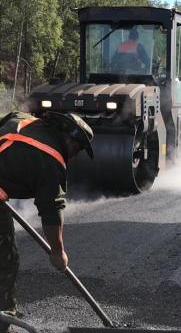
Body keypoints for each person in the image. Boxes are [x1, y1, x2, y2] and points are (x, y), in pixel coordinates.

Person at [0, 111, 94, 333]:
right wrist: (57, 252)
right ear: (68, 137)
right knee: (6, 260)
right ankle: (3, 319)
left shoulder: (22, 118)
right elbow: (51, 210)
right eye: (78, 149)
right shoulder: (51, 158)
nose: (75, 155)